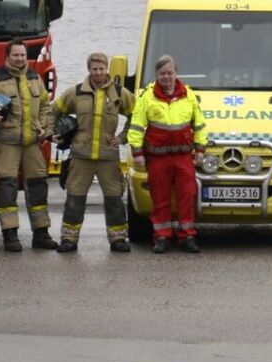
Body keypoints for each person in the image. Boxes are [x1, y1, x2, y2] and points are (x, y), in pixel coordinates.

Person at [0, 40, 57, 252]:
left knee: (38, 187)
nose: (19, 59)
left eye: (22, 55)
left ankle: (41, 233)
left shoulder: (34, 77)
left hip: (31, 144)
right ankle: (10, 234)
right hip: (6, 144)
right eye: (15, 55)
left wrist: (45, 128)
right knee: (7, 189)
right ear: (7, 57)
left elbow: (46, 106)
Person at [55, 51, 135, 254]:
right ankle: (68, 239)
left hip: (108, 156)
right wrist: (54, 133)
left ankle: (118, 239)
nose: (98, 73)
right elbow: (52, 111)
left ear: (107, 69)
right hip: (81, 157)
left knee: (115, 199)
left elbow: (138, 114)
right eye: (94, 69)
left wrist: (123, 137)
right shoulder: (75, 93)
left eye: (101, 69)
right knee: (75, 198)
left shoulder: (119, 92)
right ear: (88, 70)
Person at [128, 55, 208, 253]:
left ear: (176, 73)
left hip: (183, 157)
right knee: (160, 199)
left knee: (187, 196)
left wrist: (200, 149)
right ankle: (162, 238)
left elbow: (199, 124)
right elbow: (137, 127)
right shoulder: (147, 97)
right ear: (156, 75)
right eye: (162, 73)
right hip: (157, 158)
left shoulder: (188, 94)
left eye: (169, 73)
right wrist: (137, 152)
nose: (166, 77)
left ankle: (187, 237)